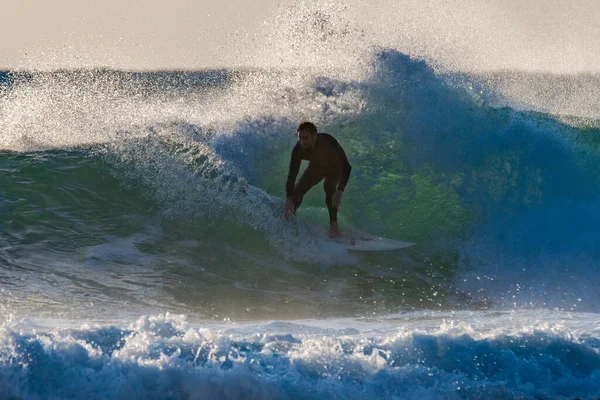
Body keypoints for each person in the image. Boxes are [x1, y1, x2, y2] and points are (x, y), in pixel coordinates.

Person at [283, 121, 352, 238]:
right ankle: (291, 218)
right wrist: (290, 198)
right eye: (300, 138)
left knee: (329, 189)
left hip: (334, 167)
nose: (302, 142)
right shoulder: (298, 149)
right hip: (316, 167)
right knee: (298, 191)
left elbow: (347, 167)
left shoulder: (328, 142)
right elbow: (292, 175)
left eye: (305, 138)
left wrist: (340, 191)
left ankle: (334, 226)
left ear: (315, 136)